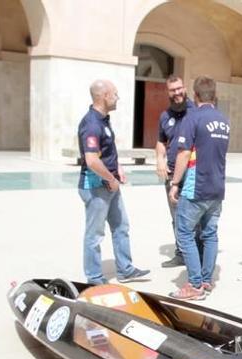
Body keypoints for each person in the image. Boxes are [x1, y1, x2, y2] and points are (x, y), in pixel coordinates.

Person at [77, 79, 150, 285]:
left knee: (121, 226)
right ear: (104, 96)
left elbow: (106, 151)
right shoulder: (91, 123)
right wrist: (110, 178)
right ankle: (94, 277)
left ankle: (125, 270)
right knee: (95, 234)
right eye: (115, 94)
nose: (118, 98)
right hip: (96, 187)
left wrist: (117, 168)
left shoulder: (103, 120)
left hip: (109, 184)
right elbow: (91, 160)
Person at [168, 76, 230, 300]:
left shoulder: (192, 118)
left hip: (197, 187)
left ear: (195, 96)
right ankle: (206, 279)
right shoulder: (224, 121)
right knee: (210, 233)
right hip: (217, 188)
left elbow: (184, 153)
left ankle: (194, 286)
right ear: (215, 96)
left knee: (184, 233)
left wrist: (175, 183)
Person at [155, 75, 196, 268]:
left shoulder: (196, 112)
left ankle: (197, 255)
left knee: (195, 217)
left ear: (185, 88)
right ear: (168, 92)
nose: (177, 93)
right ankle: (181, 253)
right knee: (176, 216)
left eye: (179, 88)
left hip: (193, 174)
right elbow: (161, 142)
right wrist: (159, 160)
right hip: (171, 174)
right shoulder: (165, 116)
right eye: (173, 90)